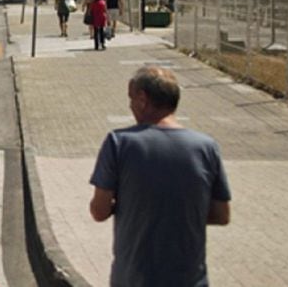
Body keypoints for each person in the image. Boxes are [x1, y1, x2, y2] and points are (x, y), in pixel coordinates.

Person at [89, 66, 231, 286]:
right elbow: (221, 215)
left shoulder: (118, 143)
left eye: (131, 99)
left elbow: (99, 211)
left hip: (133, 278)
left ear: (142, 99)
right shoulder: (206, 147)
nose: (130, 106)